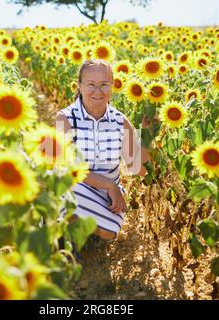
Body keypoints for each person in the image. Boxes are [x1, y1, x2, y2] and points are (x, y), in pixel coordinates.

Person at [55, 59, 152, 241]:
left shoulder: (119, 120)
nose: (98, 91)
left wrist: (148, 134)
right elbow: (67, 168)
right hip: (76, 185)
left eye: (104, 85)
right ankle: (67, 242)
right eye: (91, 84)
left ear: (112, 86)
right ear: (80, 86)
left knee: (109, 233)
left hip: (107, 195)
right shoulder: (66, 118)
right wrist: (109, 184)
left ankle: (77, 229)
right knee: (67, 195)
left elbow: (138, 168)